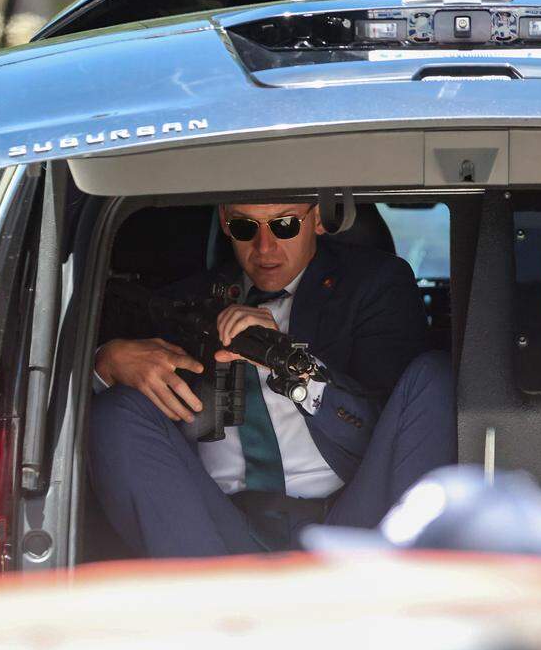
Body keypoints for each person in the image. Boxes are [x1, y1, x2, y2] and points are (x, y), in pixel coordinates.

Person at [88, 201, 456, 558]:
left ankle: (409, 593)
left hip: (347, 521)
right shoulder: (184, 303)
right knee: (114, 411)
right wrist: (106, 362)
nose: (264, 247)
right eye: (246, 227)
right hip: (214, 525)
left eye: (284, 225)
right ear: (225, 220)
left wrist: (291, 363)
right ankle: (208, 605)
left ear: (319, 219)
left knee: (434, 378)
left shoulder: (372, 287)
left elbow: (378, 430)